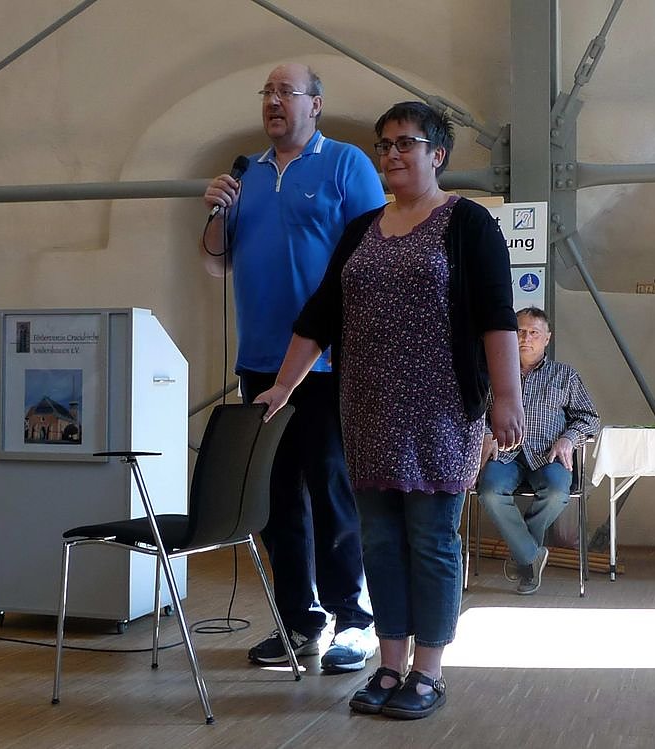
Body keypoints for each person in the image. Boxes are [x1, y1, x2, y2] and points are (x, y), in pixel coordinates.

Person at [254, 101, 524, 720]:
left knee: (430, 540)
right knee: (378, 541)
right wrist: (284, 385)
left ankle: (428, 671)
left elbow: (496, 317)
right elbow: (321, 315)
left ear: (438, 154)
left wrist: (506, 398)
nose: (393, 154)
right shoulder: (362, 229)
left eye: (406, 143)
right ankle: (389, 663)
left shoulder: (468, 223)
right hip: (368, 409)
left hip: (442, 412)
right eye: (385, 145)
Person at [200, 63, 385, 673]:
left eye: (286, 92)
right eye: (267, 93)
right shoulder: (245, 175)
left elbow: (373, 254)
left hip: (329, 362)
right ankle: (299, 624)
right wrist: (215, 213)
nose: (274, 101)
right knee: (275, 500)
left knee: (332, 489)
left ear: (316, 104)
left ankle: (354, 622)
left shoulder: (346, 164)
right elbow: (216, 263)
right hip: (260, 363)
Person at [478, 306, 600, 595]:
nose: (526, 338)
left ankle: (524, 555)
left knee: (558, 492)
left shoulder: (565, 375)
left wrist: (568, 438)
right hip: (504, 453)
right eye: (520, 331)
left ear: (547, 338)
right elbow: (475, 414)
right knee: (489, 492)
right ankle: (530, 555)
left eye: (534, 332)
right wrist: (485, 433)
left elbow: (590, 418)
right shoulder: (492, 373)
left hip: (548, 455)